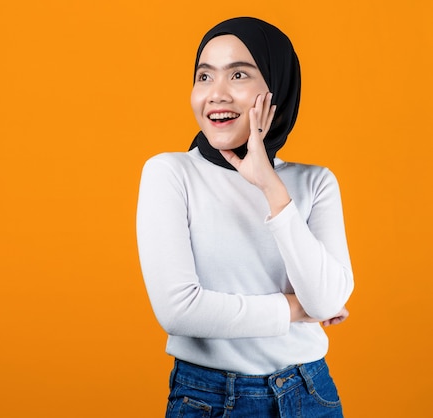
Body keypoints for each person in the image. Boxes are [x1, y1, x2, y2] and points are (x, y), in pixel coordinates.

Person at [136, 17, 354, 417]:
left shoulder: (314, 182)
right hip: (210, 398)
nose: (216, 94)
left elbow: (327, 299)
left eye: (238, 74)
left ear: (276, 88)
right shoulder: (170, 174)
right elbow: (180, 311)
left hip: (310, 393)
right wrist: (299, 309)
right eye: (204, 77)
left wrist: (270, 186)